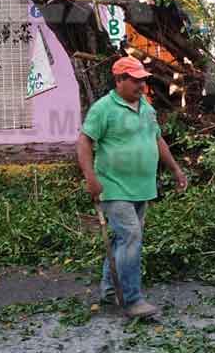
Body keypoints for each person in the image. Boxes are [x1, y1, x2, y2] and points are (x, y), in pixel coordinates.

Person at [76, 56, 188, 319]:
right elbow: (83, 143)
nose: (141, 85)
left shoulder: (146, 107)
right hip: (113, 186)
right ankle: (132, 299)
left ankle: (109, 291)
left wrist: (175, 169)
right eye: (135, 80)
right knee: (131, 237)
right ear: (119, 80)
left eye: (142, 80)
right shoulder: (103, 108)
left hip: (142, 186)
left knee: (122, 240)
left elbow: (157, 140)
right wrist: (90, 178)